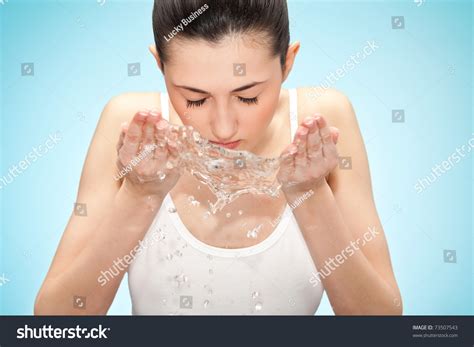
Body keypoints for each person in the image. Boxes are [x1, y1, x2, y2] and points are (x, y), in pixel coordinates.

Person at [35, 0, 402, 315]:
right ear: (160, 66)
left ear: (287, 62)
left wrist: (310, 192)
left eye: (248, 97)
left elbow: (380, 321)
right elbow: (56, 318)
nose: (223, 128)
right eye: (195, 99)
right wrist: (140, 193)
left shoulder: (320, 121)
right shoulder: (134, 128)